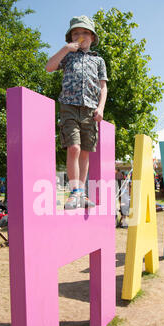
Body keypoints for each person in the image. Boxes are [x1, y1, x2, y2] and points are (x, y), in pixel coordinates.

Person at [46, 15, 108, 209]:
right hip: (69, 106)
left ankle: (81, 192)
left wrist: (100, 108)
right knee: (74, 147)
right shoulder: (68, 56)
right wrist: (65, 49)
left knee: (85, 152)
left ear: (92, 37)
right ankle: (74, 192)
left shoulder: (98, 60)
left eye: (84, 33)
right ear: (70, 37)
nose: (80, 36)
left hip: (90, 108)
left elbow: (103, 87)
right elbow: (49, 67)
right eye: (75, 33)